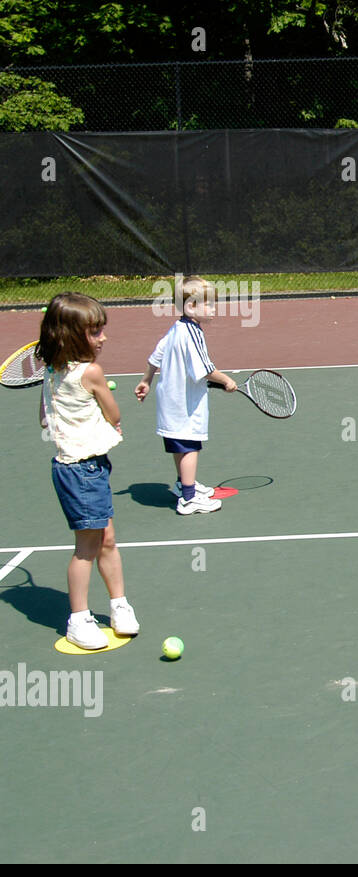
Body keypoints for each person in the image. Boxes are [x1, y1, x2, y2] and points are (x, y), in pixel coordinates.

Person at [36, 292, 140, 650]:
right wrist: (105, 422)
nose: (103, 338)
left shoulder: (52, 371)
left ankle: (118, 606)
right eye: (95, 332)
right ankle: (78, 620)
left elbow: (44, 419)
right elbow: (115, 414)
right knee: (87, 548)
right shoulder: (92, 372)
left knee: (107, 539)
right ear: (72, 336)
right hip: (82, 472)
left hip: (83, 468)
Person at [135, 276, 236, 514]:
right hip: (184, 406)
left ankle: (184, 484)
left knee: (178, 445)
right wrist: (227, 380)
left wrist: (146, 380)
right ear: (191, 306)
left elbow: (155, 356)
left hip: (169, 403)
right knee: (191, 448)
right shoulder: (192, 332)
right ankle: (189, 499)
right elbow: (205, 369)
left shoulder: (175, 328)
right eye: (209, 304)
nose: (214, 309)